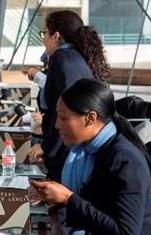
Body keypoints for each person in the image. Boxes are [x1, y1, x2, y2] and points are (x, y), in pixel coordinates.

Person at [30, 78, 151, 234]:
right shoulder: (87, 150)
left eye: (64, 118)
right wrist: (56, 197)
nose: (57, 125)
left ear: (90, 118)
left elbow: (126, 231)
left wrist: (69, 199)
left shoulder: (126, 160)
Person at [27, 10, 111, 182]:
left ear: (56, 36)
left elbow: (66, 111)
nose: (43, 37)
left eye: (44, 32)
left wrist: (47, 146)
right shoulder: (75, 56)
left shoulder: (61, 57)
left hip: (67, 147)